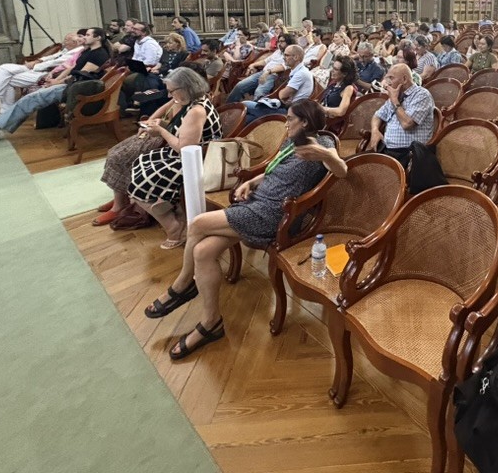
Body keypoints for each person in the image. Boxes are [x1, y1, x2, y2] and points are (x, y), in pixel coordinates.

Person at [142, 99, 346, 360]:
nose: (286, 123)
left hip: (273, 215)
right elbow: (274, 170)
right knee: (203, 252)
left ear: (305, 122)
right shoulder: (293, 140)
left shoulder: (321, 144)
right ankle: (211, 323)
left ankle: (182, 284)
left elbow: (342, 171)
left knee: (198, 224)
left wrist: (326, 155)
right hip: (257, 203)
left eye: (290, 119)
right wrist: (252, 182)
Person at [0, 28, 110, 141]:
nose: (83, 37)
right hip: (68, 85)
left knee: (30, 99)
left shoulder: (99, 54)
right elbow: (72, 68)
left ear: (98, 38)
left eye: (88, 35)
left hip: (75, 89)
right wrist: (56, 80)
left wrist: (57, 82)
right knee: (27, 98)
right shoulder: (87, 51)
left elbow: (81, 76)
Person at [128, 67, 222, 249]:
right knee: (141, 162)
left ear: (186, 88)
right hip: (191, 155)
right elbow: (183, 132)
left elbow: (183, 148)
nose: (170, 95)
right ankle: (168, 207)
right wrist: (162, 125)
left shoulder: (196, 110)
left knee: (141, 181)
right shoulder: (195, 101)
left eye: (172, 91)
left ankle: (173, 227)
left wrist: (160, 130)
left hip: (198, 161)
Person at [0, 30, 83, 110]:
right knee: (7, 77)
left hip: (45, 73)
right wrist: (37, 60)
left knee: (4, 70)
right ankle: (0, 108)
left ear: (74, 43)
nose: (63, 42)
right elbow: (51, 57)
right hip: (40, 70)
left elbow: (55, 62)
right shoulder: (66, 50)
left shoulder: (77, 51)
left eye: (67, 40)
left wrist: (33, 66)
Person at [368, 63, 436, 167]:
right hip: (387, 150)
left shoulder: (422, 95)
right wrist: (375, 130)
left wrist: (395, 101)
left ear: (404, 79)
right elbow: (377, 115)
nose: (387, 83)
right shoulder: (397, 95)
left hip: (409, 154)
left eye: (391, 78)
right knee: (354, 168)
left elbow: (407, 124)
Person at [241, 44, 314, 124]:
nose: (283, 58)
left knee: (244, 105)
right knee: (249, 118)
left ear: (296, 57)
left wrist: (282, 93)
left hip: (290, 112)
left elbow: (282, 95)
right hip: (288, 108)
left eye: (286, 55)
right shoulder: (299, 71)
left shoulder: (301, 73)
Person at [226, 33, 296, 102]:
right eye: (278, 41)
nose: (279, 44)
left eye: (282, 41)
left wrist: (268, 72)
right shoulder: (278, 52)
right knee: (240, 86)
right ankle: (229, 106)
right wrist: (253, 65)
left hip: (273, 76)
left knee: (259, 93)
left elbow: (283, 67)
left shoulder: (291, 55)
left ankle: (255, 109)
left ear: (289, 42)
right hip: (262, 73)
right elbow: (265, 61)